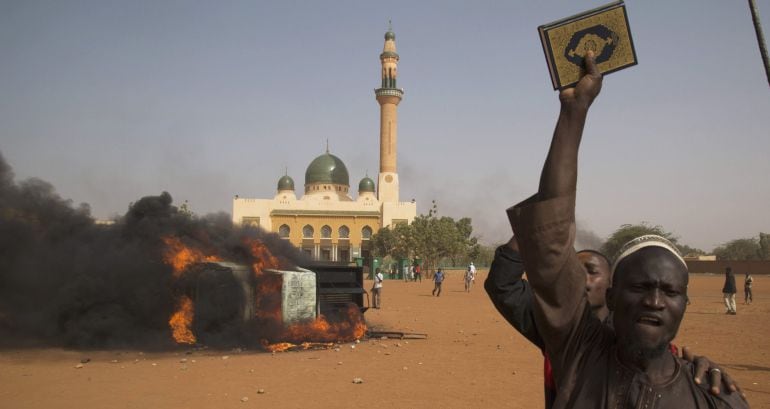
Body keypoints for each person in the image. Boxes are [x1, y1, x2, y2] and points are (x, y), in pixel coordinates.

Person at [507, 52, 748, 408]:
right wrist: (575, 112)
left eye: (670, 292)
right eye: (640, 287)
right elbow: (551, 240)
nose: (654, 301)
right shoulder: (580, 352)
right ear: (613, 295)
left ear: (685, 304)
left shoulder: (715, 397)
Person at [485, 236, 744, 409]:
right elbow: (503, 285)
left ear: (613, 287)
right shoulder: (560, 333)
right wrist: (535, 223)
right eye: (573, 271)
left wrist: (701, 374)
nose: (580, 280)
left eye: (591, 271)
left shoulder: (653, 346)